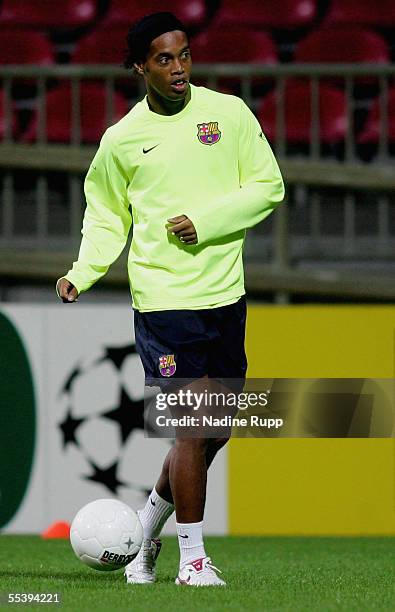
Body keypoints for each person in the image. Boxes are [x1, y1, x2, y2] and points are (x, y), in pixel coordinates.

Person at [56, 12, 284, 587]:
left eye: (184, 55)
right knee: (192, 423)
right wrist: (82, 272)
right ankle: (194, 561)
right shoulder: (121, 141)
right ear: (139, 67)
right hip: (163, 299)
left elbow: (267, 185)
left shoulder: (228, 114)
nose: (179, 68)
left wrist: (204, 223)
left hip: (224, 293)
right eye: (163, 59)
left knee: (217, 426)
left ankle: (143, 531)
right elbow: (106, 215)